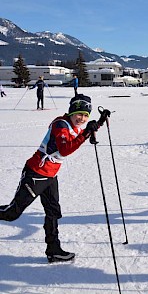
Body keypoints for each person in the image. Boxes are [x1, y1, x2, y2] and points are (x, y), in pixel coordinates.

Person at [0, 94, 100, 263]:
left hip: (50, 175)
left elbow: (77, 135)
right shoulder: (60, 124)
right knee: (12, 213)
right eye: (79, 114)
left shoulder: (71, 125)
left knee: (53, 212)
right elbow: (65, 149)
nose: (82, 119)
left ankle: (53, 250)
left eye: (85, 115)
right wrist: (87, 132)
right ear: (71, 112)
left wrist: (98, 123)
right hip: (36, 173)